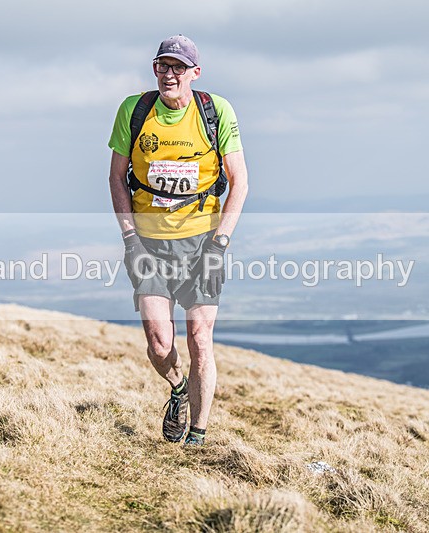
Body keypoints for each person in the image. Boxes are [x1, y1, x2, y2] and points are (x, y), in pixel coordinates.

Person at [108, 35, 249, 446]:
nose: (169, 74)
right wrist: (130, 238)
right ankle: (178, 388)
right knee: (159, 343)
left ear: (195, 73)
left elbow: (240, 182)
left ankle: (197, 437)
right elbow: (116, 178)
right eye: (162, 66)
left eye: (178, 67)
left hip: (203, 243)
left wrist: (220, 245)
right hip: (148, 244)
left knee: (200, 338)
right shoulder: (134, 111)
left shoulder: (215, 111)